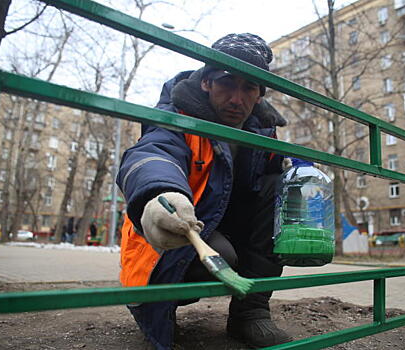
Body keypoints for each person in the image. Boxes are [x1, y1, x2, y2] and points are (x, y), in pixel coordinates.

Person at [116, 33, 292, 349]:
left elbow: (271, 192)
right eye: (227, 83)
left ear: (260, 94)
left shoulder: (264, 132)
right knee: (219, 256)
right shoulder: (177, 115)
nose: (237, 99)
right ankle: (155, 306)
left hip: (226, 227)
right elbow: (154, 152)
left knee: (279, 190)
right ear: (206, 83)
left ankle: (250, 313)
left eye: (249, 87)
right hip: (178, 226)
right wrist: (162, 193)